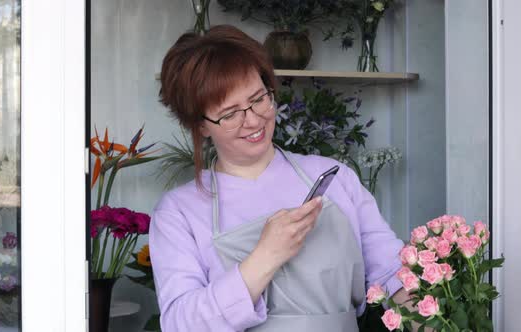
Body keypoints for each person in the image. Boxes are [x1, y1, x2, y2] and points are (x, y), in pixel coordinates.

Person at [150, 25, 407, 332]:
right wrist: (265, 256)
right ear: (200, 125)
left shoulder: (335, 177)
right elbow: (181, 324)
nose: (253, 119)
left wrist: (429, 316)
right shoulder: (178, 212)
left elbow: (393, 272)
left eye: (259, 98)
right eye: (230, 113)